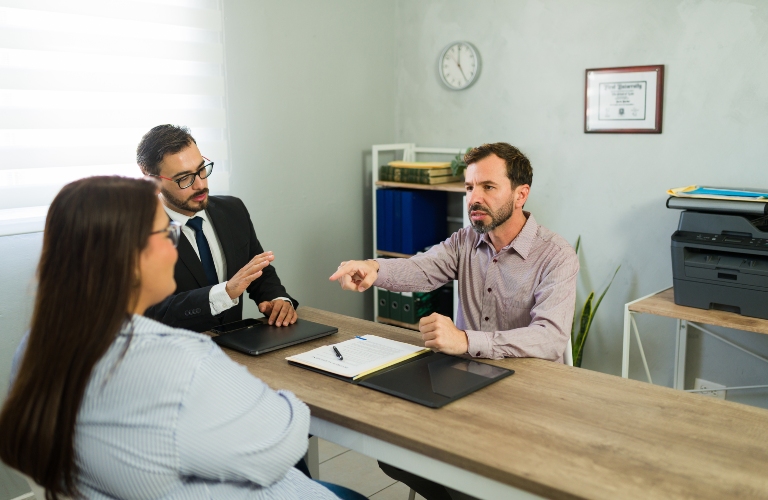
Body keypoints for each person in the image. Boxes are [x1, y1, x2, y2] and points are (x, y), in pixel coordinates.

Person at [0, 176, 364, 500]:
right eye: (167, 233)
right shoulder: (179, 359)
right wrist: (281, 398)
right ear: (131, 258)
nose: (176, 244)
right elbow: (282, 446)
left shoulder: (35, 347)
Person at [329, 143, 579, 500]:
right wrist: (375, 268)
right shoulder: (466, 240)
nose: (474, 197)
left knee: (469, 472)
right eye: (469, 188)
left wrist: (466, 341)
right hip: (465, 386)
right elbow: (422, 268)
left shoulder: (556, 256)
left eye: (487, 187)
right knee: (392, 449)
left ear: (520, 194)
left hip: (526, 399)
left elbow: (550, 339)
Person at [137, 124, 296, 332]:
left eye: (202, 169)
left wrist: (278, 299)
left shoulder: (232, 210)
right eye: (184, 178)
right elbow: (151, 312)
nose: (200, 185)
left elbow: (258, 272)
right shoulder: (134, 234)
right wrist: (225, 292)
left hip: (237, 351)